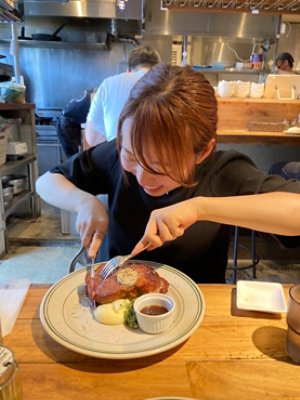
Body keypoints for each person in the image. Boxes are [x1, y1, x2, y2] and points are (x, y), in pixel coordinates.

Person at [36, 64, 300, 284]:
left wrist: (200, 208)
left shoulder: (223, 171)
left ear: (203, 151)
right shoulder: (116, 155)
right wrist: (84, 201)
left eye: (159, 166)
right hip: (116, 309)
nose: (142, 177)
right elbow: (47, 181)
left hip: (198, 316)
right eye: (131, 156)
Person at [85, 44, 160, 147]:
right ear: (158, 68)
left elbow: (92, 137)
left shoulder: (108, 84)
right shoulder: (168, 83)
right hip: (161, 159)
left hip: (118, 157)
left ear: (128, 70)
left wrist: (118, 149)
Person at [56, 89, 93, 158]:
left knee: (76, 157)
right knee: (75, 158)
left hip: (65, 121)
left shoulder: (92, 92)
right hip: (67, 124)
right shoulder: (95, 96)